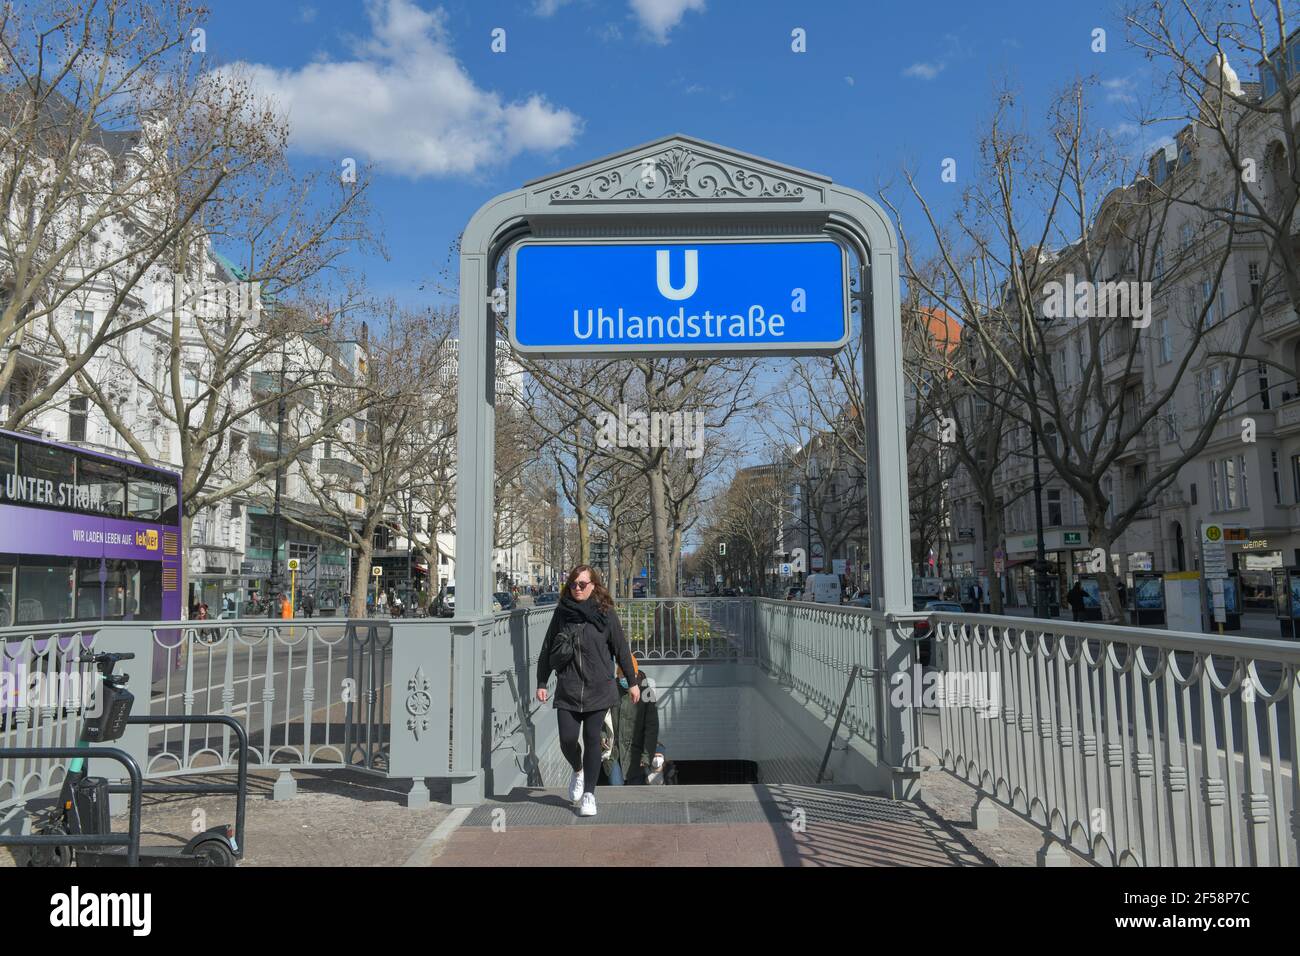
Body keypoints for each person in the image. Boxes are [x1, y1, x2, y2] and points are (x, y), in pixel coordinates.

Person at [536, 564, 638, 818]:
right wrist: (541, 681)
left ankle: (590, 795)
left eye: (582, 584)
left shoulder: (605, 613)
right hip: (569, 687)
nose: (577, 589)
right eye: (573, 584)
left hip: (598, 688)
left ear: (594, 586)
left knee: (593, 739)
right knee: (568, 739)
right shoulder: (562, 613)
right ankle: (578, 769)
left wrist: (632, 681)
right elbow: (548, 647)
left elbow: (621, 648)